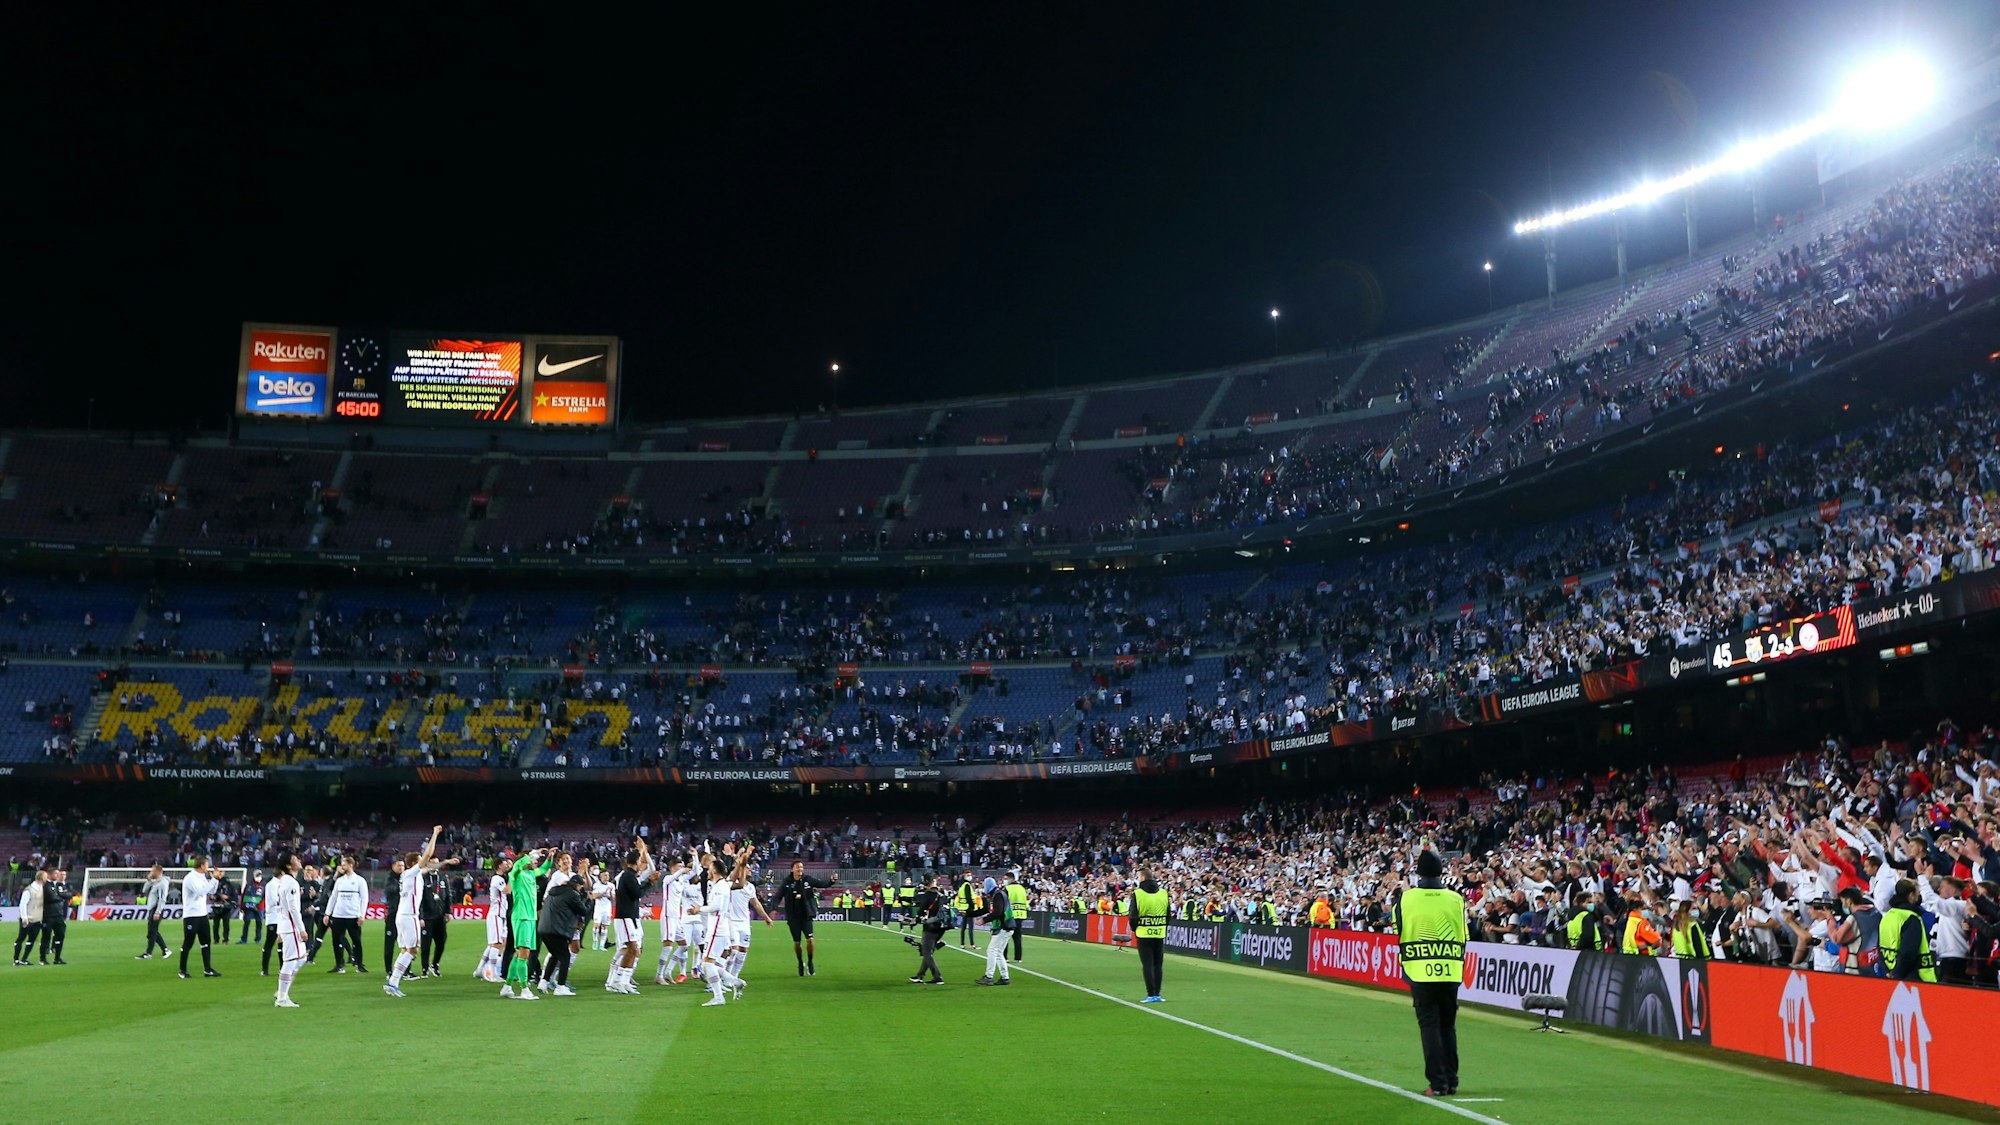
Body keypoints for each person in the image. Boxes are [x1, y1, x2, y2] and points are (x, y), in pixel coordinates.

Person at [1395, 850, 1465, 1098]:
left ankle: (1437, 1082)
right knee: (1448, 1026)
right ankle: (1451, 1080)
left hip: (1420, 970)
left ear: (1419, 873)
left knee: (1430, 1027)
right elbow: (1463, 933)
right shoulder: (1456, 899)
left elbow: (1400, 930)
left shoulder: (1406, 899)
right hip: (1450, 970)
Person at [383, 824, 441, 998]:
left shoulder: (409, 875)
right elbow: (428, 856)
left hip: (403, 915)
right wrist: (435, 834)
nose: (424, 860)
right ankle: (393, 981)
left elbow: (429, 867)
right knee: (413, 950)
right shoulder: (411, 873)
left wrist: (447, 862)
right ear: (415, 863)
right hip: (409, 916)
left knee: (405, 950)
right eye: (420, 860)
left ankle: (392, 982)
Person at [503, 846, 555, 1000]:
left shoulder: (531, 873)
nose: (535, 862)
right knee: (524, 954)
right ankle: (524, 989)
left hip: (531, 918)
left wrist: (549, 858)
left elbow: (544, 868)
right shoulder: (516, 874)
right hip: (522, 917)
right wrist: (534, 853)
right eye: (533, 860)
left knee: (519, 953)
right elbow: (518, 864)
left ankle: (507, 986)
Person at [605, 837, 655, 995]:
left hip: (630, 917)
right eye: (641, 861)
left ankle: (622, 981)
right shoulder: (627, 876)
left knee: (632, 950)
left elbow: (649, 871)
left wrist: (643, 850)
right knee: (630, 949)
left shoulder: (631, 876)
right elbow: (637, 893)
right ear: (637, 862)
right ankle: (616, 981)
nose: (643, 865)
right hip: (625, 917)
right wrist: (650, 883)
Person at [536, 869, 590, 996]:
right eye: (580, 887)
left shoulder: (553, 891)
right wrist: (589, 900)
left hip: (544, 928)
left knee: (555, 954)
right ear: (577, 885)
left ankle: (543, 982)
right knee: (565, 956)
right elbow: (583, 911)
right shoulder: (572, 894)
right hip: (557, 929)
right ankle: (560, 987)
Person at [774, 860, 830, 977]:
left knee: (810, 939)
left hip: (806, 916)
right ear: (792, 869)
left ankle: (810, 962)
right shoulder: (787, 882)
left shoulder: (807, 879)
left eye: (801, 867)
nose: (800, 869)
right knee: (797, 942)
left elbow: (821, 883)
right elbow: (778, 896)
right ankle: (800, 962)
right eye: (797, 867)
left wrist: (832, 881)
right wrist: (774, 908)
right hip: (793, 917)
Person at [267, 851, 307, 1008]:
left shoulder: (283, 881)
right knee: (290, 961)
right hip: (291, 927)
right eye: (295, 859)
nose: (299, 860)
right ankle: (282, 998)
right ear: (289, 865)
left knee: (301, 958)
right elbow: (292, 909)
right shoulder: (291, 883)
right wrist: (301, 929)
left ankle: (281, 990)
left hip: (286, 926)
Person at [1880, 878, 1937, 983]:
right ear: (1911, 895)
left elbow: (1880, 946)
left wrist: (1887, 971)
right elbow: (1908, 953)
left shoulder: (1888, 915)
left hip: (1888, 972)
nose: (1918, 897)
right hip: (1911, 977)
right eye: (1917, 894)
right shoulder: (1911, 918)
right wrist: (1897, 974)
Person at [1127, 866, 1169, 1002]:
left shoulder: (1138, 894)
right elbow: (1168, 914)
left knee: (1147, 964)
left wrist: (1135, 928)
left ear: (1143, 878)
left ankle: (1151, 994)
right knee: (1158, 965)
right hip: (1159, 932)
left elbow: (1133, 915)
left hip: (1143, 933)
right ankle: (1158, 994)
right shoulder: (1163, 893)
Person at [324, 856, 369, 973]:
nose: (341, 867)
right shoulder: (339, 881)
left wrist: (362, 915)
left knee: (356, 941)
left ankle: (359, 964)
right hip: (338, 915)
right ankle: (339, 965)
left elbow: (364, 899)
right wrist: (327, 913)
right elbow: (333, 897)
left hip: (353, 916)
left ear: (350, 865)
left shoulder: (360, 881)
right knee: (336, 941)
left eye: (344, 865)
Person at [179, 857, 221, 979]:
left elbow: (211, 891)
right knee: (188, 942)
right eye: (207, 864)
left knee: (206, 942)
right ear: (202, 866)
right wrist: (213, 879)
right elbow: (201, 892)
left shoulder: (202, 877)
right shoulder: (191, 878)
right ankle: (182, 970)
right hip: (191, 915)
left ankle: (207, 969)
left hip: (202, 914)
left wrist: (215, 880)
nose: (208, 867)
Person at [654, 856, 692, 986]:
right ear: (671, 868)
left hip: (677, 917)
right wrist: (682, 871)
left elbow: (695, 872)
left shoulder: (681, 880)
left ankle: (668, 971)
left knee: (684, 945)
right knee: (668, 946)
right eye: (678, 866)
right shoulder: (667, 879)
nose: (681, 868)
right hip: (668, 916)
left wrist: (695, 857)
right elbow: (675, 876)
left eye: (682, 866)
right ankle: (659, 975)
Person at [475, 855, 513, 984]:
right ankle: (491, 972)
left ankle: (480, 969)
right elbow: (507, 890)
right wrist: (513, 877)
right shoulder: (497, 878)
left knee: (496, 943)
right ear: (499, 866)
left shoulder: (500, 878)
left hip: (500, 915)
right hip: (496, 914)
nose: (507, 865)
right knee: (497, 943)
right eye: (505, 864)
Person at [419, 857, 455, 977]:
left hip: (440, 916)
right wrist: (421, 916)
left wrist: (448, 912)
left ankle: (435, 964)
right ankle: (424, 968)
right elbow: (419, 899)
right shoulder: (422, 878)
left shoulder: (443, 878)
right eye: (433, 863)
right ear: (428, 864)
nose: (435, 865)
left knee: (441, 942)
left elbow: (448, 895)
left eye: (437, 863)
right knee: (426, 944)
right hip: (427, 917)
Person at [975, 874, 1013, 986]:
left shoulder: (997, 895)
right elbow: (986, 910)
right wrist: (969, 913)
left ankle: (989, 976)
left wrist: (984, 920)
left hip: (1003, 926)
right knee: (998, 952)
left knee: (992, 950)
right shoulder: (997, 894)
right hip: (1007, 926)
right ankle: (1005, 977)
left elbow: (997, 912)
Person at [909, 874, 947, 985]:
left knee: (926, 952)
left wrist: (916, 919)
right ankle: (920, 975)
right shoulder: (941, 893)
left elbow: (922, 909)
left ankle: (938, 977)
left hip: (931, 926)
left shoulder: (929, 894)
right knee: (928, 952)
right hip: (941, 926)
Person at [13, 868, 46, 966]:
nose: (46, 879)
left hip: (37, 918)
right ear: (41, 878)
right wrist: (24, 917)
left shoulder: (42, 889)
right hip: (28, 918)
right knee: (21, 938)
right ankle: (16, 959)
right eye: (45, 877)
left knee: (32, 939)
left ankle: (24, 959)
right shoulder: (29, 890)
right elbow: (23, 904)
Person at [137, 864, 171, 959]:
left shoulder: (163, 883)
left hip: (156, 909)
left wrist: (158, 911)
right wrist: (149, 880)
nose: (151, 872)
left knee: (152, 932)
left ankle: (150, 953)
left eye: (152, 871)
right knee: (152, 932)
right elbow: (144, 890)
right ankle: (163, 950)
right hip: (152, 908)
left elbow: (162, 898)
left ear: (158, 872)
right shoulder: (155, 882)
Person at [38, 868, 70, 965]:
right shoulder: (46, 885)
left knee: (60, 935)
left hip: (59, 915)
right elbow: (51, 897)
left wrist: (59, 895)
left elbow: (69, 894)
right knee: (46, 937)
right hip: (48, 915)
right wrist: (61, 895)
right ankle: (42, 959)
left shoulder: (58, 885)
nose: (58, 875)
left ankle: (57, 958)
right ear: (50, 875)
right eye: (56, 873)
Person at [1006, 869, 1031, 962]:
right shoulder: (1022, 888)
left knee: (1005, 937)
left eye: (1006, 879)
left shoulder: (1007, 888)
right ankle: (1018, 958)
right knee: (1018, 938)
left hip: (1010, 915)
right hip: (1020, 915)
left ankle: (1004, 957)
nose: (1005, 880)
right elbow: (1025, 901)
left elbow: (1005, 902)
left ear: (1011, 879)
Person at [238, 871, 265, 945]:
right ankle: (244, 939)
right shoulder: (249, 885)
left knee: (259, 923)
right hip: (249, 907)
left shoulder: (264, 885)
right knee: (246, 922)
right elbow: (244, 895)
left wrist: (259, 905)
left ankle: (258, 939)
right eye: (257, 875)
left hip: (259, 907)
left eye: (259, 875)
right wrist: (242, 907)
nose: (258, 877)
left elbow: (265, 896)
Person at [953, 870, 978, 947]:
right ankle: (972, 944)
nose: (970, 877)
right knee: (970, 926)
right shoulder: (967, 885)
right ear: (964, 876)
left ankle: (962, 944)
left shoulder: (961, 885)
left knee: (963, 927)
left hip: (963, 907)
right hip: (968, 908)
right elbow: (968, 897)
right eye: (968, 875)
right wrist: (973, 906)